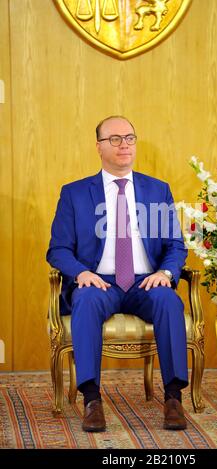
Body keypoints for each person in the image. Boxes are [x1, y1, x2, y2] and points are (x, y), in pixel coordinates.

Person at [46, 115, 189, 432]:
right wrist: (81, 273)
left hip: (145, 282)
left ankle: (174, 398)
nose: (124, 144)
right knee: (84, 300)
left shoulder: (157, 190)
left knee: (169, 300)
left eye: (129, 138)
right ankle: (92, 400)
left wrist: (165, 271)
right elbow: (57, 250)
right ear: (98, 146)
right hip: (99, 282)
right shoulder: (76, 193)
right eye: (114, 139)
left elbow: (175, 244)